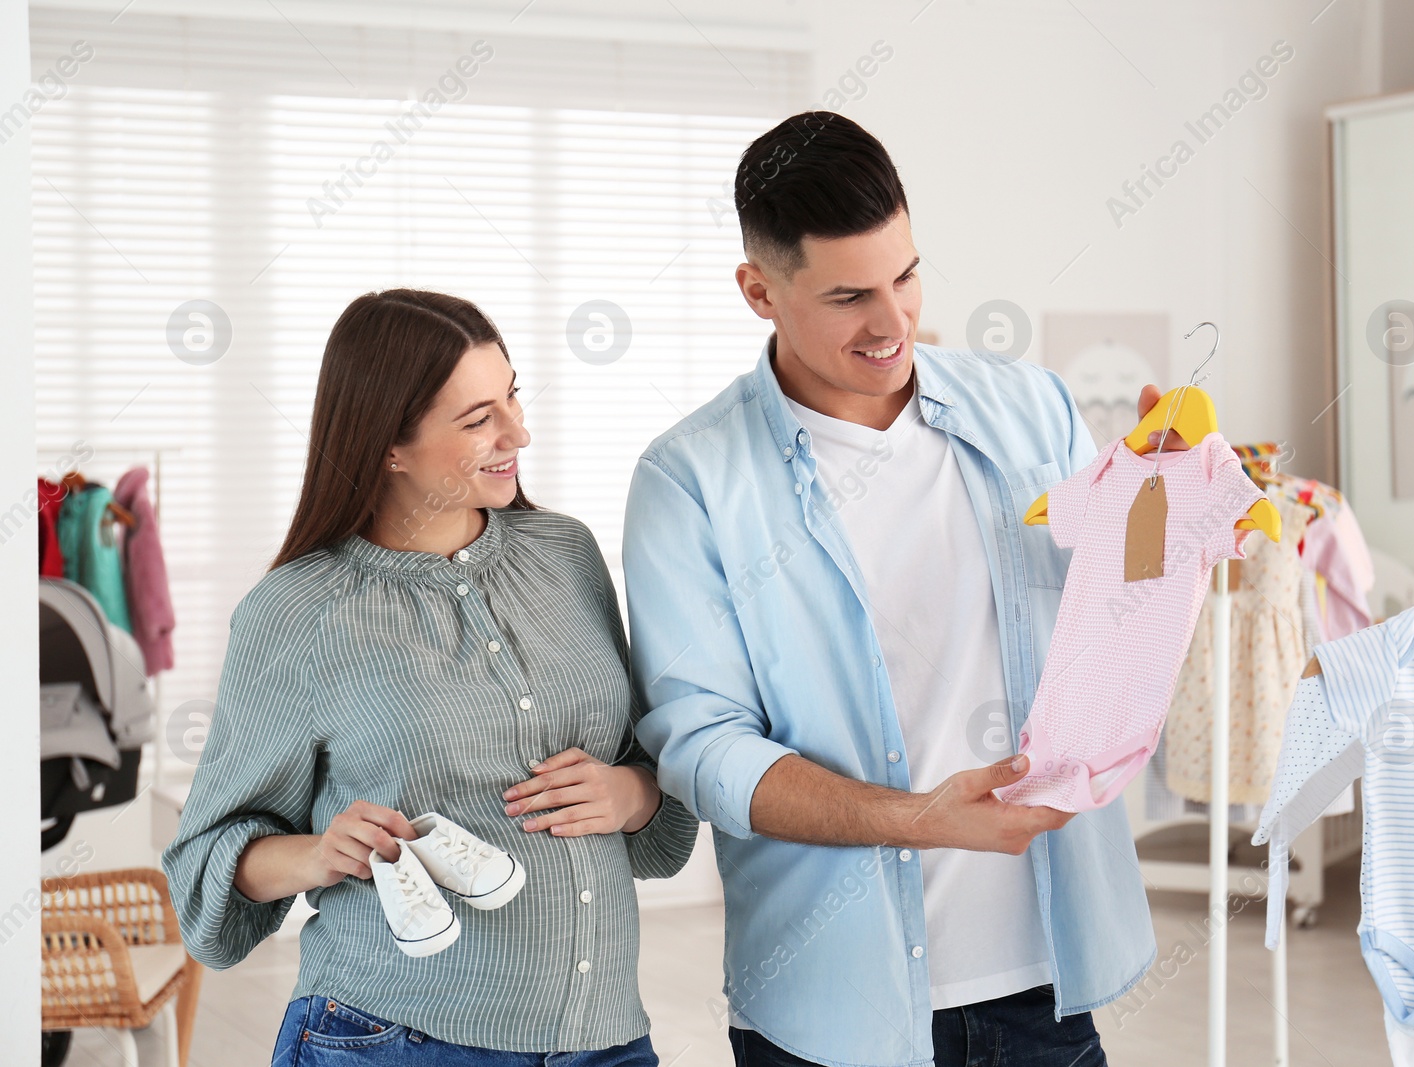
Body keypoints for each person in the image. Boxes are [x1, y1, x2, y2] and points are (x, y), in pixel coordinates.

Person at [621, 111, 1182, 1067]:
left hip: (1045, 982)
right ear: (759, 289)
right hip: (832, 1008)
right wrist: (918, 820)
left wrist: (1176, 522)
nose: (894, 324)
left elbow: (1107, 616)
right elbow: (703, 748)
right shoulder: (691, 481)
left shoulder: (1032, 408)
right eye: (849, 296)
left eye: (907, 276)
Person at [161, 289, 699, 1064]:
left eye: (512, 395)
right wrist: (320, 853)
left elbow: (654, 800)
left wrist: (634, 793)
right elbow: (202, 870)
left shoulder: (567, 554)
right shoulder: (299, 612)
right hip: (396, 1037)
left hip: (606, 1035)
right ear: (389, 445)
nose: (518, 431)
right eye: (478, 418)